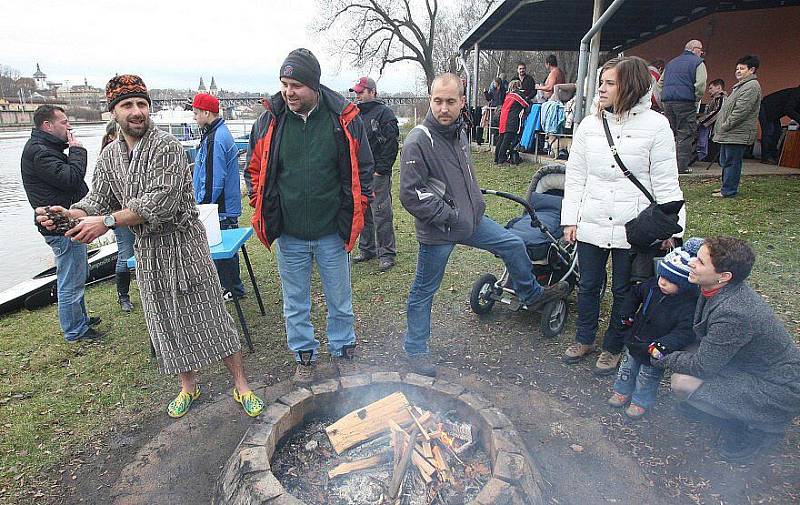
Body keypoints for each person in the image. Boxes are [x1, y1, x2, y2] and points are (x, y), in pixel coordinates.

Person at [36, 75, 264, 419]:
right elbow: (99, 197)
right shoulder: (111, 156)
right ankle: (189, 386)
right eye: (128, 105)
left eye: (142, 103)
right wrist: (72, 213)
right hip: (149, 254)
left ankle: (241, 384)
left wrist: (108, 222)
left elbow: (161, 202)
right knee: (165, 324)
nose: (137, 111)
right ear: (114, 112)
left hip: (185, 246)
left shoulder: (167, 146)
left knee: (213, 316)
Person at [399, 73, 569, 377]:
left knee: (514, 244)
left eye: (450, 101)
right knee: (424, 290)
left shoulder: (460, 132)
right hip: (439, 230)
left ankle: (532, 296)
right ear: (431, 100)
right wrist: (450, 216)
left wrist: (474, 204)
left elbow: (464, 175)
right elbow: (411, 195)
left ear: (462, 101)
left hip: (471, 220)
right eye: (438, 101)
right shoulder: (418, 140)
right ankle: (415, 350)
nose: (443, 108)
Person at [244, 49, 374, 383]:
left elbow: (364, 166)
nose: (289, 92)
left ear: (314, 86)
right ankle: (304, 355)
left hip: (333, 230)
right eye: (285, 84)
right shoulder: (270, 120)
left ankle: (343, 350)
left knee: (340, 300)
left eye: (297, 85)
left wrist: (361, 204)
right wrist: (260, 202)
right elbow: (254, 169)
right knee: (295, 302)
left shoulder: (342, 118)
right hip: (290, 233)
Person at [561, 56, 685, 375]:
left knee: (624, 291)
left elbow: (666, 181)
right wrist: (570, 219)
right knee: (588, 285)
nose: (600, 89)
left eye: (609, 83)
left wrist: (673, 228)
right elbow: (575, 175)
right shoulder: (589, 125)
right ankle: (584, 337)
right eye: (600, 82)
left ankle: (613, 345)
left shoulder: (657, 126)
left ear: (629, 86)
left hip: (634, 227)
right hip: (591, 220)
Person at [653, 236, 800, 461]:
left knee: (682, 382)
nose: (692, 263)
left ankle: (758, 425)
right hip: (748, 366)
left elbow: (703, 367)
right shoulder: (716, 287)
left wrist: (662, 358)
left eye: (701, 262)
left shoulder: (734, 313)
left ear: (724, 276)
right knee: (687, 360)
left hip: (778, 388)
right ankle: (722, 405)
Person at [21, 105, 101, 343]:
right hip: (60, 225)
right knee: (71, 279)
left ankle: (80, 319)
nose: (69, 127)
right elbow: (70, 179)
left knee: (77, 272)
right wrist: (77, 151)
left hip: (67, 220)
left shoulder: (45, 148)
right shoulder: (40, 152)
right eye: (64, 122)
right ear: (48, 125)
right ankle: (75, 330)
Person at [608, 242, 701, 419]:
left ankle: (641, 401)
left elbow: (684, 332)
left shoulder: (688, 305)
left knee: (647, 376)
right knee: (626, 368)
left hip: (656, 349)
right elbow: (634, 294)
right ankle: (621, 391)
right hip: (635, 338)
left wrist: (664, 345)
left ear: (685, 284)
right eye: (662, 276)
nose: (663, 282)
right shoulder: (652, 286)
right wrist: (627, 313)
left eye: (671, 281)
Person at [191, 92, 246, 299]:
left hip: (219, 208)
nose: (194, 117)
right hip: (222, 206)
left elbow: (215, 177)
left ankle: (233, 289)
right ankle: (229, 286)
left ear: (206, 112)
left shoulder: (216, 138)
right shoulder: (215, 133)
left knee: (223, 251)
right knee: (223, 250)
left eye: (196, 113)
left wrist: (204, 206)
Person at [350, 77, 400, 272]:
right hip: (360, 173)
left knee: (381, 213)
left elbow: (391, 144)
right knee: (363, 212)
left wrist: (382, 169)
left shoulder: (385, 114)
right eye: (357, 92)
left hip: (378, 173)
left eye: (361, 91)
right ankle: (367, 248)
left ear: (373, 92)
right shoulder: (355, 114)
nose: (358, 95)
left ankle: (386, 253)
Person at [712, 55, 762, 198]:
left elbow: (741, 111)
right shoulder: (741, 86)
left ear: (752, 70)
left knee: (732, 162)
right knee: (725, 161)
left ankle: (728, 190)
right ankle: (725, 187)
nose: (738, 71)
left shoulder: (752, 86)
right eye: (737, 68)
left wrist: (725, 125)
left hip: (737, 133)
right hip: (730, 132)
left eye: (742, 68)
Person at [656, 40, 708, 174]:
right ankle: (681, 167)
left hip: (668, 103)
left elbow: (660, 84)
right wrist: (695, 99)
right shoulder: (698, 62)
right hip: (686, 102)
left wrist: (664, 100)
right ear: (694, 49)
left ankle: (665, 165)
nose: (701, 53)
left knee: (670, 134)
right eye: (700, 50)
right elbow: (701, 84)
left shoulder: (671, 63)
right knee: (685, 134)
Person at [100, 121, 135, 313]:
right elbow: (101, 194)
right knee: (125, 254)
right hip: (119, 216)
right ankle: (123, 296)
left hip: (138, 215)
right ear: (113, 135)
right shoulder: (108, 157)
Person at [758, 85, 800, 164]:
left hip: (774, 112)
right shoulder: (796, 93)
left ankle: (773, 155)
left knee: (777, 132)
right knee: (769, 132)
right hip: (766, 108)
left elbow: (795, 109)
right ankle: (766, 157)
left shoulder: (796, 93)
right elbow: (789, 109)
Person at [495, 80, 528, 165]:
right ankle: (501, 160)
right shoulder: (517, 95)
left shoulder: (508, 95)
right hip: (510, 120)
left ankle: (496, 158)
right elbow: (526, 104)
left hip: (503, 119)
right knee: (506, 140)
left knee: (501, 139)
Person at [696, 79, 726, 162]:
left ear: (719, 88)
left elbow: (717, 112)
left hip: (716, 128)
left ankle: (703, 153)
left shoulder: (721, 99)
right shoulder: (716, 99)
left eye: (711, 88)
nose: (709, 91)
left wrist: (702, 121)